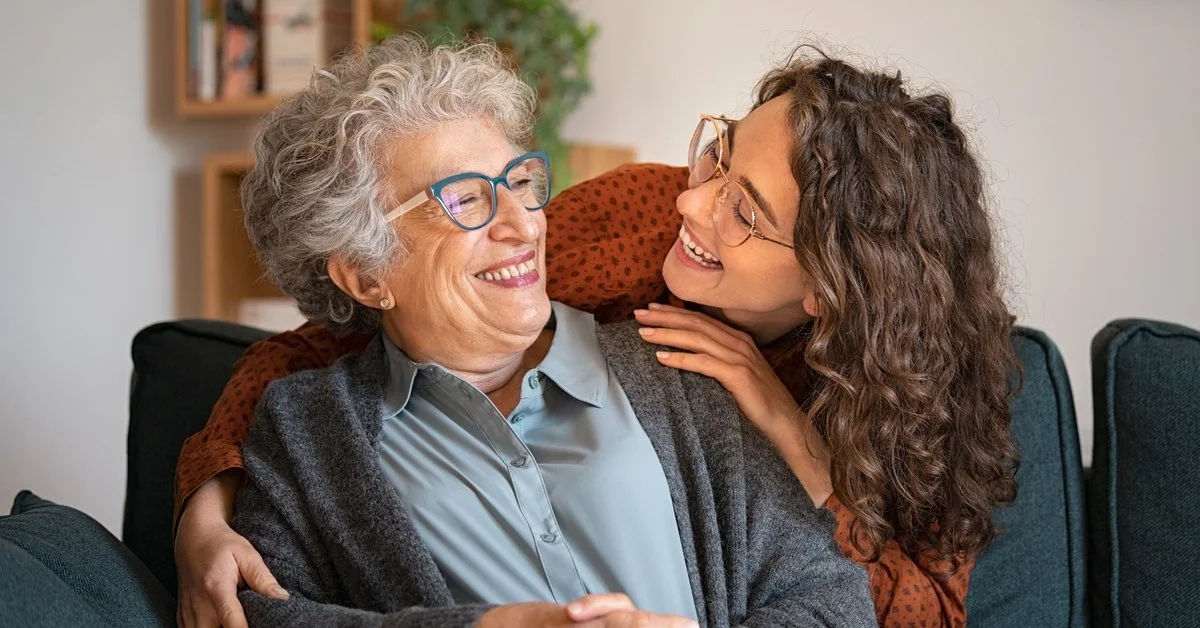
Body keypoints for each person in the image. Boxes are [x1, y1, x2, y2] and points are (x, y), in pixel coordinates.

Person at [174, 43, 1018, 628]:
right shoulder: (638, 228)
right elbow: (320, 344)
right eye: (717, 158)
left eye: (745, 211)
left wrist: (795, 441)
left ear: (832, 291)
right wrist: (203, 510)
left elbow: (878, 606)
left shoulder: (711, 387)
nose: (694, 203)